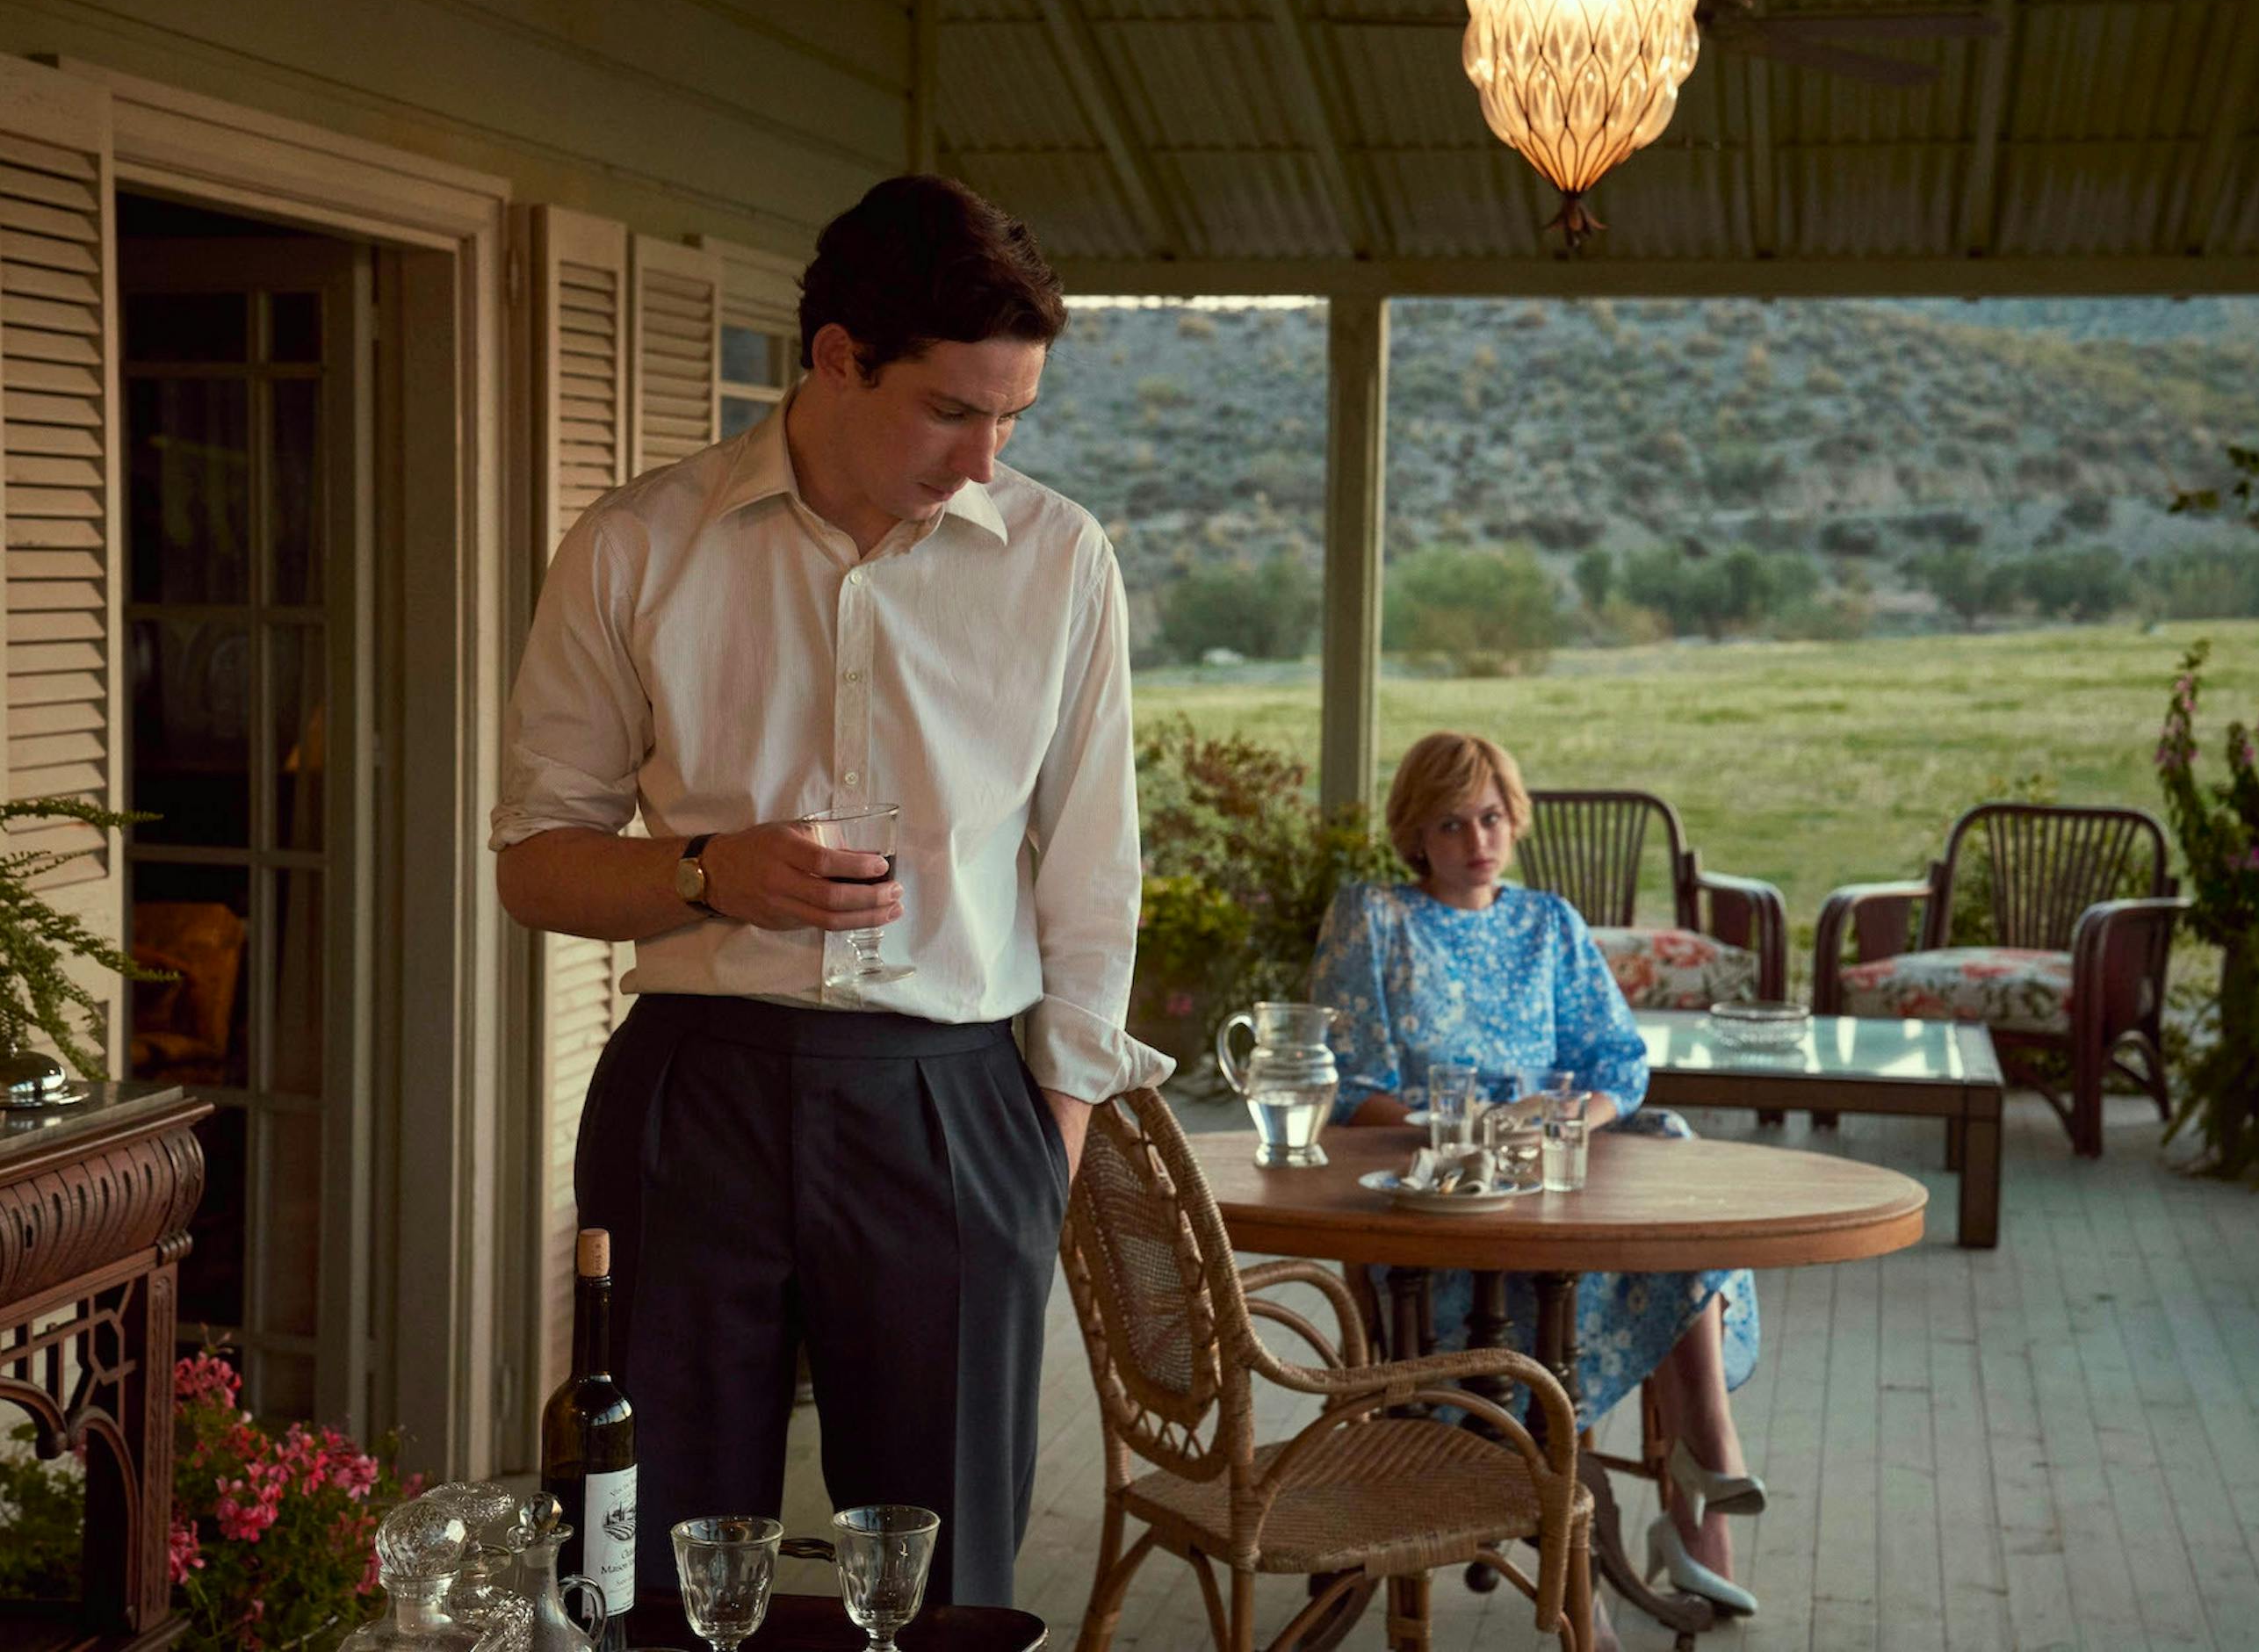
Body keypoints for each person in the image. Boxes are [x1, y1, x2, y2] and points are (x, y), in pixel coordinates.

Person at [490, 176, 1172, 1607]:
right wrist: (707, 872)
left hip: (957, 1098)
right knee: (656, 1556)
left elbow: (1095, 879)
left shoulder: (1059, 563)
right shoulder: (636, 547)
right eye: (950, 410)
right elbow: (537, 863)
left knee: (943, 1585)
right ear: (837, 357)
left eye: (1012, 418)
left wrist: (1045, 1137)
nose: (985, 457)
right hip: (693, 1095)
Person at [1309, 731, 1764, 1619]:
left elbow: (1616, 1062)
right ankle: (1697, 1484)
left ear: (1513, 820)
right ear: (1415, 833)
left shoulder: (1547, 922)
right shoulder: (1375, 918)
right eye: (1449, 822)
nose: (1475, 839)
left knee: (1665, 1144)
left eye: (1488, 816)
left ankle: (1699, 1453)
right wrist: (1461, 1128)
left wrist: (1560, 1118)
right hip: (1439, 1224)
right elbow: (1347, 1087)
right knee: (1646, 1254)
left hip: (1554, 1190)